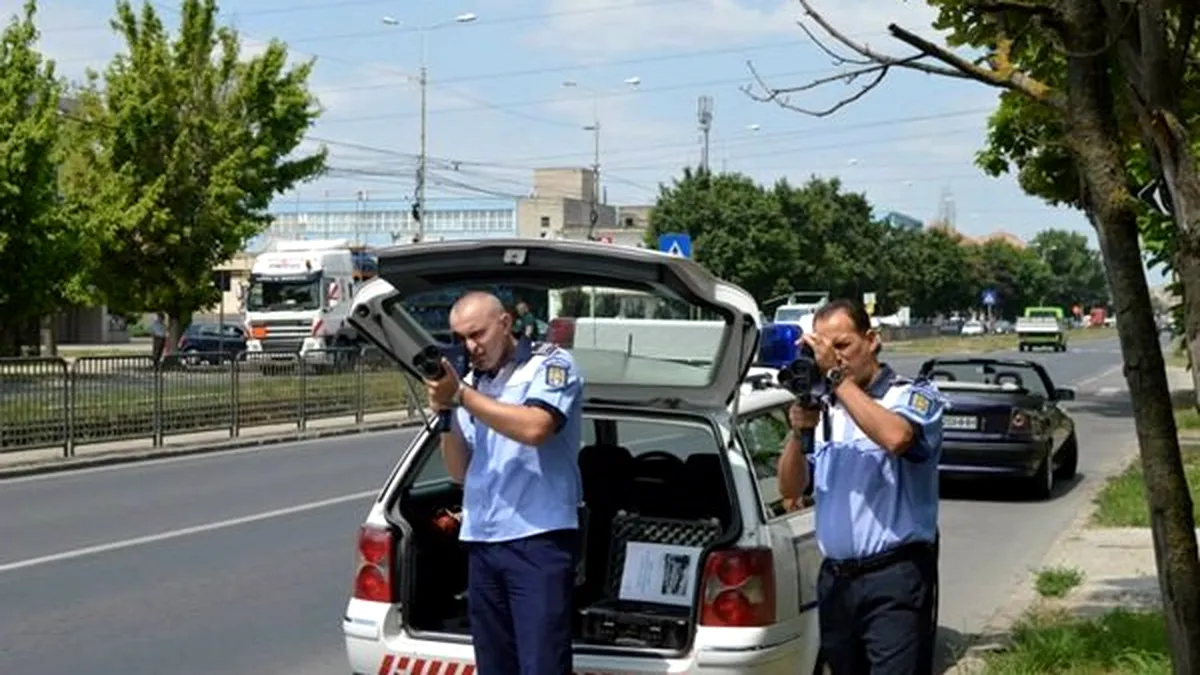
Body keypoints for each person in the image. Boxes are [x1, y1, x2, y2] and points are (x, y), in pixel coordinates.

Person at [776, 298, 946, 675]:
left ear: (871, 340)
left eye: (842, 346)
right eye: (823, 349)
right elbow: (790, 489)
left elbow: (897, 438)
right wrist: (798, 431)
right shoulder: (826, 408)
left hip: (894, 579)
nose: (833, 358)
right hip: (837, 580)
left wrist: (837, 380)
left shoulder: (910, 396)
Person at [423, 290, 584, 675]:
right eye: (460, 338)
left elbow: (536, 427)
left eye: (477, 334)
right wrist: (446, 412)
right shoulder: (473, 382)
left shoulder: (550, 364)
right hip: (483, 539)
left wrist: (462, 396)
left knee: (541, 663)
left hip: (537, 539)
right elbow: (459, 471)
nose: (470, 347)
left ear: (506, 323)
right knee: (495, 665)